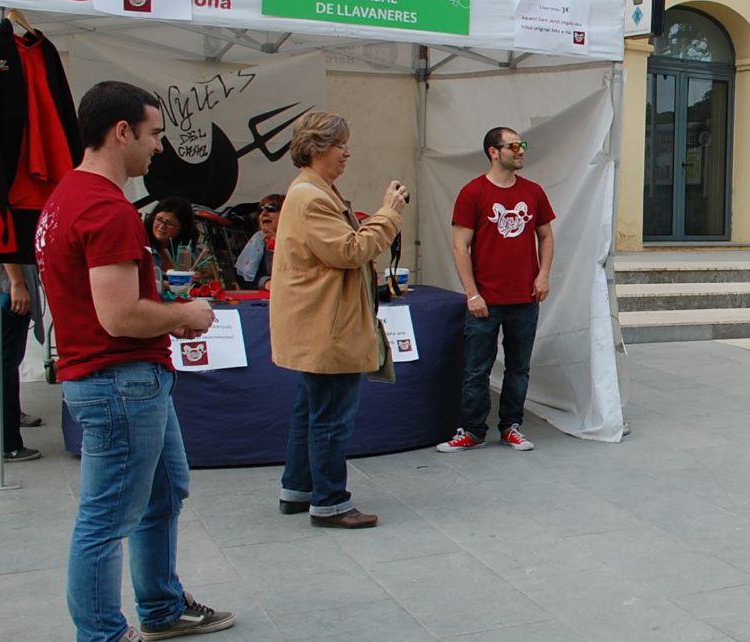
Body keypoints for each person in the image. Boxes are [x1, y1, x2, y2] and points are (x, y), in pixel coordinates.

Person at [36, 80, 231, 642]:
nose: (158, 148)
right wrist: (185, 316)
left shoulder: (67, 198)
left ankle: (162, 606)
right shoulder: (106, 207)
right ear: (122, 132)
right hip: (119, 380)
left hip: (126, 377)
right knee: (107, 518)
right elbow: (118, 315)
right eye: (152, 135)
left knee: (165, 492)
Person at [268, 111, 406, 529]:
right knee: (330, 416)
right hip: (327, 325)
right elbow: (349, 250)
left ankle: (298, 488)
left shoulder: (312, 190)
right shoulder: (311, 196)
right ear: (315, 149)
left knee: (311, 410)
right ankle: (329, 501)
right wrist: (390, 214)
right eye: (340, 145)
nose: (347, 153)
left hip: (318, 321)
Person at [438, 127, 554, 453]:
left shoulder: (533, 192)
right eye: (514, 145)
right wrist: (472, 293)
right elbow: (460, 246)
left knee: (519, 368)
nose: (520, 151)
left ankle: (511, 427)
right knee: (476, 370)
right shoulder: (473, 193)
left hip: (525, 299)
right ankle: (473, 430)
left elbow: (546, 235)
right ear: (493, 151)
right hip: (486, 301)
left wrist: (543, 275)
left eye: (522, 145)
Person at [0, 261, 42, 462]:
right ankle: (3, 444)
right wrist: (17, 282)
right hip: (3, 285)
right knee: (2, 365)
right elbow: (4, 243)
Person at [234, 193, 282, 289]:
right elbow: (243, 278)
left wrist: (280, 245)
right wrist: (265, 282)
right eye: (261, 210)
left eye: (271, 209)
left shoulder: (296, 238)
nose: (264, 213)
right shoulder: (258, 239)